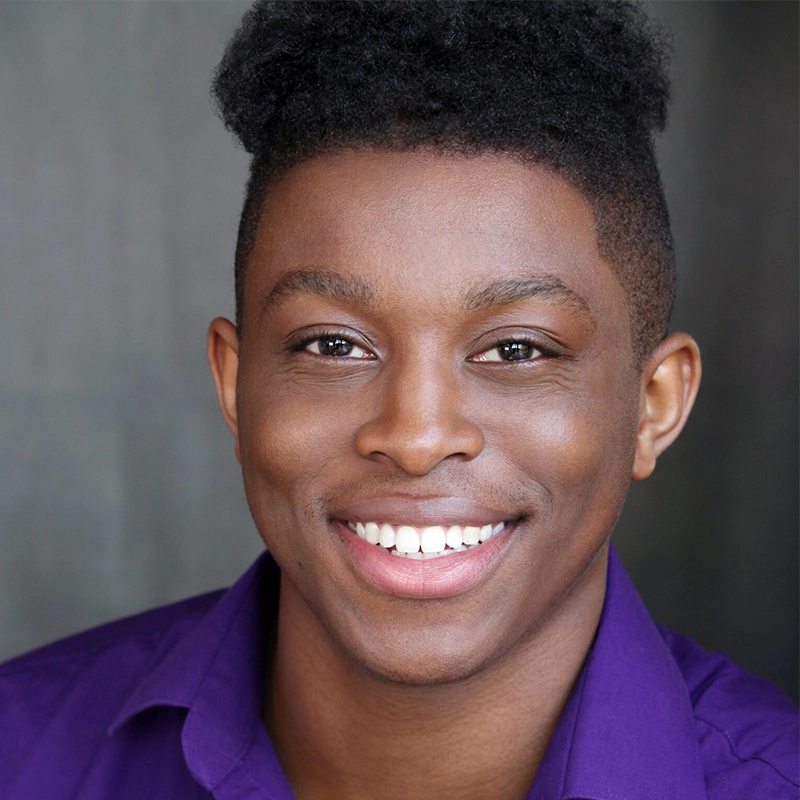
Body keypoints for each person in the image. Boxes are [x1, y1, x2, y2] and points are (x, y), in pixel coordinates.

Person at [0, 2, 796, 798]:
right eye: (333, 345)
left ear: (654, 406)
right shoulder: (20, 751)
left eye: (517, 350)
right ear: (236, 386)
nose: (416, 436)